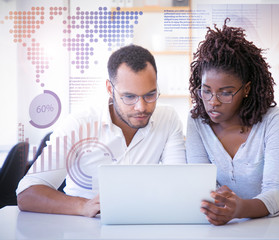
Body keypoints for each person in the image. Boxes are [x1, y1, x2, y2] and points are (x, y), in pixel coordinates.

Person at [17, 45, 186, 217]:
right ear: (109, 89)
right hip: (85, 229)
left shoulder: (168, 119)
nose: (141, 107)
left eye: (150, 95)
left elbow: (178, 182)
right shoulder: (78, 124)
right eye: (129, 97)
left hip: (144, 224)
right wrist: (83, 206)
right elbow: (27, 193)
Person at [186, 19, 279, 226]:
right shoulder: (197, 120)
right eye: (206, 91)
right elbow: (201, 183)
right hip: (233, 226)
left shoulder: (274, 119)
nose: (212, 102)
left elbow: (277, 192)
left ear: (246, 89)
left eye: (225, 93)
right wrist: (220, 202)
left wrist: (239, 209)